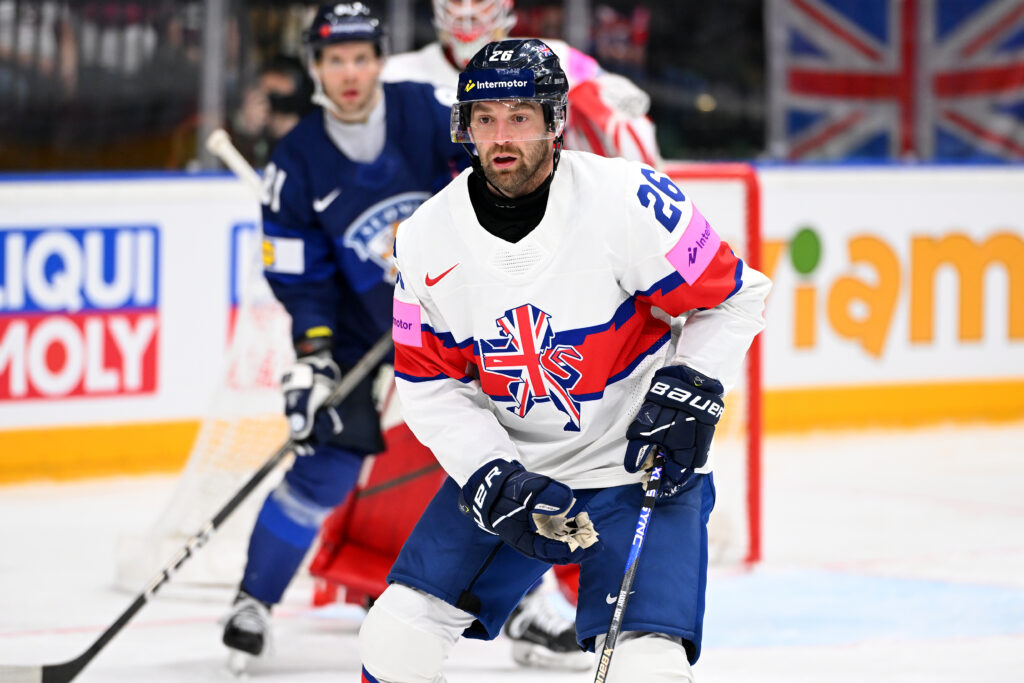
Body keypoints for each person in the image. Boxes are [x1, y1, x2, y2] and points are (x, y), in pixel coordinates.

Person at [358, 39, 770, 682]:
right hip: (520, 470)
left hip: (637, 465)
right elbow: (428, 383)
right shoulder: (425, 241)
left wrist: (694, 381)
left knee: (647, 668)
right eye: (484, 118)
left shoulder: (627, 200)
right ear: (463, 127)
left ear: (554, 121)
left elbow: (738, 296)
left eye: (520, 116)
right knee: (394, 638)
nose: (500, 136)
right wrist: (489, 472)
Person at [219, 2, 465, 664]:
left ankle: (527, 605)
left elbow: (504, 172)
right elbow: (302, 279)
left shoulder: (430, 109)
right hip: (357, 329)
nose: (350, 73)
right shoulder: (295, 163)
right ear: (315, 68)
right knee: (325, 464)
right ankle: (254, 599)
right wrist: (315, 353)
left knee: (495, 453)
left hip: (453, 317)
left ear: (380, 61)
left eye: (361, 57)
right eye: (335, 60)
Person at [381, 0, 662, 167]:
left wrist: (604, 95)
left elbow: (622, 103)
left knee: (597, 103)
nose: (467, 13)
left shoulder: (553, 57)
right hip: (436, 208)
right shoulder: (395, 74)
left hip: (536, 208)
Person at [232, 54, 315, 168]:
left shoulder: (315, 128)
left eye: (279, 95)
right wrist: (248, 129)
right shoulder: (257, 136)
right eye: (268, 95)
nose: (275, 104)